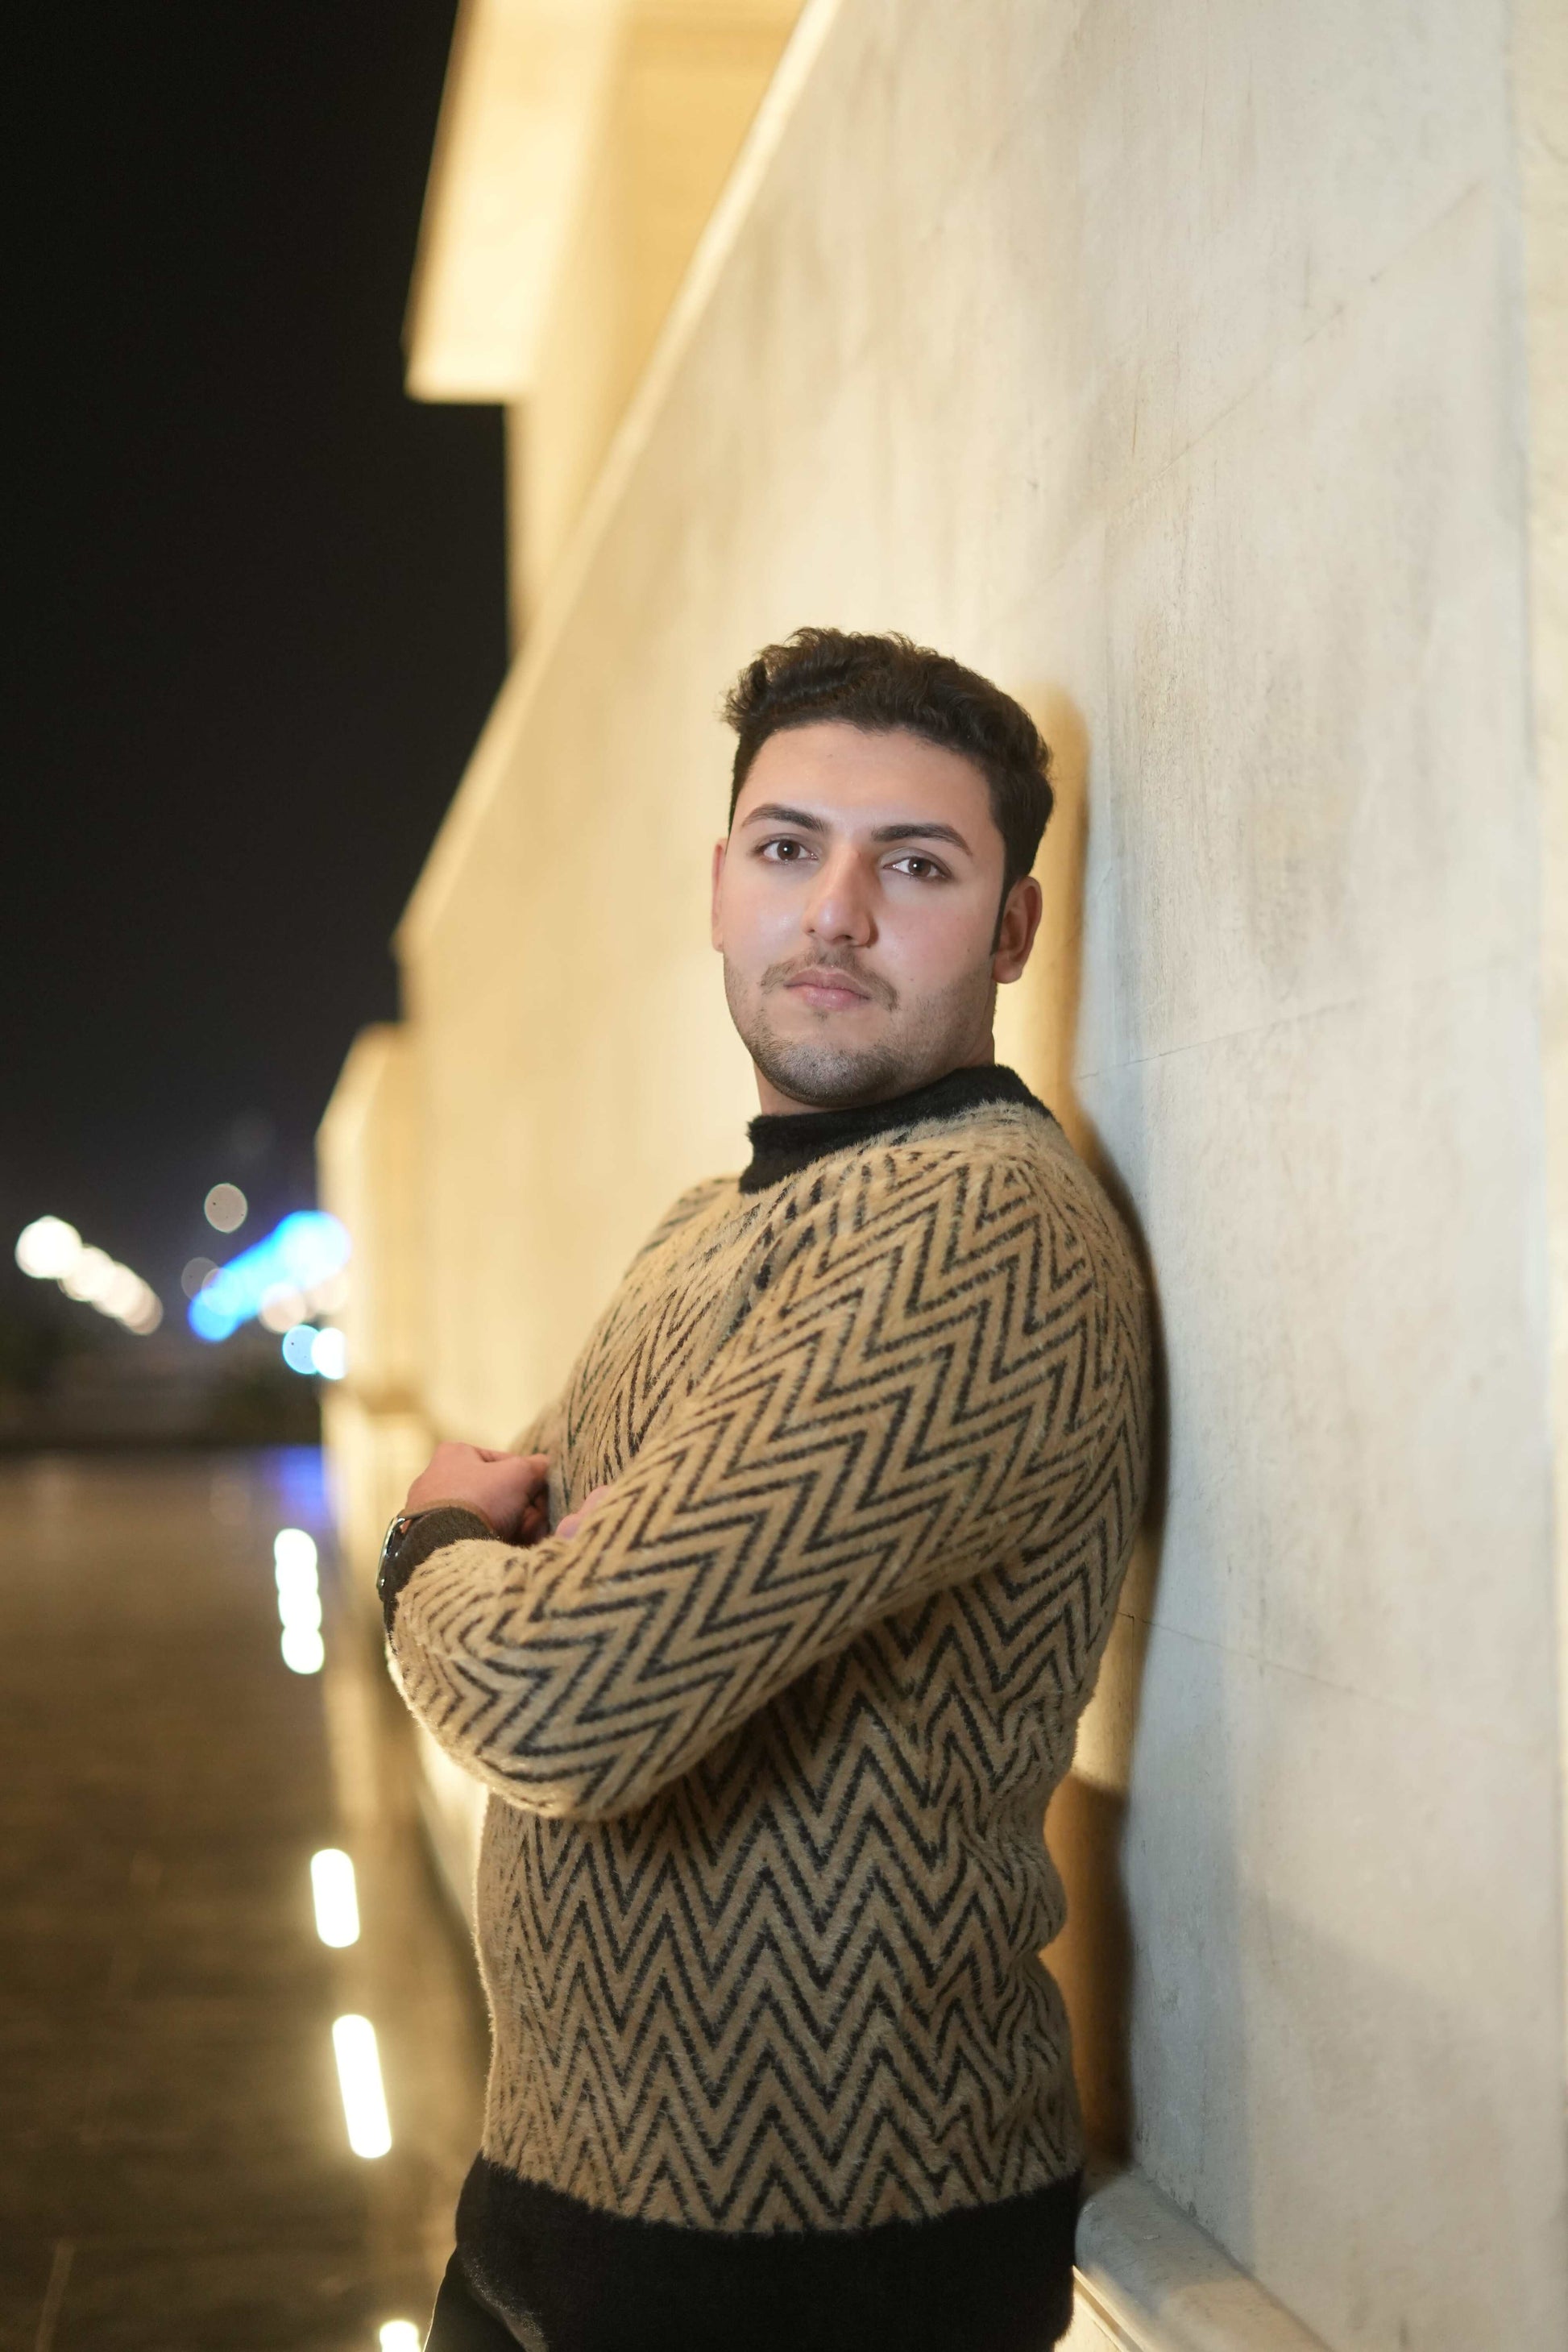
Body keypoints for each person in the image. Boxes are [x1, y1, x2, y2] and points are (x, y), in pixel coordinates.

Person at [376, 628, 1154, 2352]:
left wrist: (428, 1543)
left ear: (1013, 929)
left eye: (917, 866)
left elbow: (557, 1689)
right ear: (720, 888)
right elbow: (557, 1575)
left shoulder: (973, 1228)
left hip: (820, 2257)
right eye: (789, 847)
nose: (836, 913)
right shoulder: (711, 1223)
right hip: (555, 2191)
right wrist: (537, 1570)